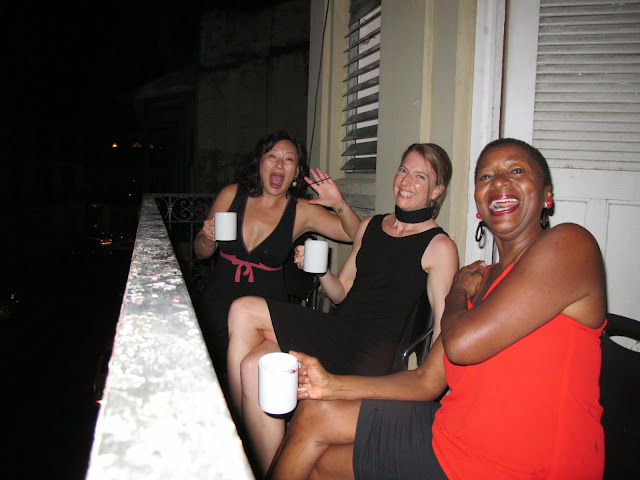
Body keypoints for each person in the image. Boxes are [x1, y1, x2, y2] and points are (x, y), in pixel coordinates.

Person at [268, 138, 607, 480]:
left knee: (319, 459)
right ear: (479, 204)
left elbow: (461, 345)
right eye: (486, 177)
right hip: (450, 430)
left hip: (518, 464)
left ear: (547, 194)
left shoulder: (569, 246)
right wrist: (329, 386)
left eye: (516, 171)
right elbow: (425, 382)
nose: (500, 182)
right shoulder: (483, 278)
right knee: (313, 418)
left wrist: (458, 290)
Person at [227, 143, 459, 475]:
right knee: (251, 354)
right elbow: (342, 293)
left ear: (437, 190)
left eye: (420, 176)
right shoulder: (370, 226)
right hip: (338, 330)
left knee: (247, 330)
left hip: (372, 354)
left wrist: (430, 388)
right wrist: (321, 272)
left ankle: (258, 449)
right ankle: (274, 466)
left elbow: (442, 326)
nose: (407, 181)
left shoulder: (439, 246)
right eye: (404, 170)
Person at [194, 131, 361, 375]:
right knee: (212, 379)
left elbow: (355, 234)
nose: (280, 164)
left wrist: (338, 204)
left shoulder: (303, 211)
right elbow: (201, 254)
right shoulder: (231, 195)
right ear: (259, 162)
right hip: (217, 304)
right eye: (272, 156)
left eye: (289, 160)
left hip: (267, 311)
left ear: (296, 172)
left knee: (255, 378)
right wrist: (208, 238)